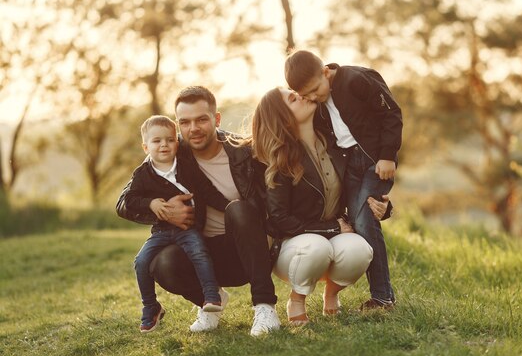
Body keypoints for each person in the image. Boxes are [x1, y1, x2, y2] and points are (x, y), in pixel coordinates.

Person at [116, 87, 280, 336]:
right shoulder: (169, 152)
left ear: (216, 119)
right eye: (185, 122)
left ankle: (265, 306)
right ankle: (210, 299)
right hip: (200, 251)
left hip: (248, 251)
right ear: (177, 125)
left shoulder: (243, 151)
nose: (193, 128)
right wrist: (163, 210)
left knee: (238, 210)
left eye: (201, 119)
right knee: (162, 263)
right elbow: (124, 202)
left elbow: (274, 197)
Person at [251, 87, 390, 325]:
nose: (302, 95)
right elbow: (278, 219)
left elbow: (357, 189)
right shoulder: (280, 158)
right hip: (292, 246)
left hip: (331, 236)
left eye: (297, 92)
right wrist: (333, 228)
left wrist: (384, 207)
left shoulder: (335, 145)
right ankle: (297, 298)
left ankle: (332, 293)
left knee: (360, 249)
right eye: (293, 99)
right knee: (316, 247)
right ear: (282, 116)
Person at [285, 50, 403, 310]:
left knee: (363, 219)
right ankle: (377, 295)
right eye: (309, 95)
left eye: (316, 89)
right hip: (349, 164)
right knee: (358, 219)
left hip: (375, 161)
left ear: (326, 72)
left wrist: (387, 156)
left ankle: (383, 297)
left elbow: (391, 114)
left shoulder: (357, 80)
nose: (315, 97)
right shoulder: (320, 101)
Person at [118, 115, 230, 333]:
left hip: (188, 228)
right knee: (141, 262)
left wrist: (229, 207)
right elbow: (129, 200)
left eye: (169, 140)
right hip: (161, 231)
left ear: (177, 142)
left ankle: (211, 295)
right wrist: (150, 204)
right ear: (145, 146)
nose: (164, 145)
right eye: (157, 141)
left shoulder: (187, 166)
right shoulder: (143, 174)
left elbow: (206, 190)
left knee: (198, 252)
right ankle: (151, 307)